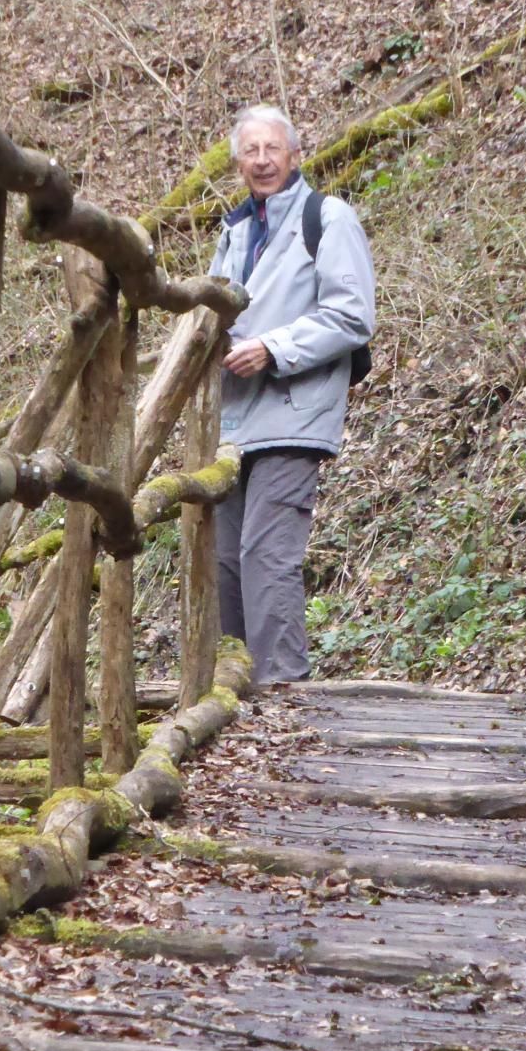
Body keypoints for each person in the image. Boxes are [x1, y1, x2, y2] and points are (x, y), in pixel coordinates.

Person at [210, 104, 376, 685]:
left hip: (294, 411)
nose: (261, 161)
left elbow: (352, 315)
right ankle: (229, 691)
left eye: (272, 149)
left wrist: (274, 348)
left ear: (295, 155)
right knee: (224, 561)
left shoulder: (327, 219)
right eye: (251, 151)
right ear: (237, 162)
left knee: (265, 554)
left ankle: (280, 694)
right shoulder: (233, 231)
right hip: (233, 419)